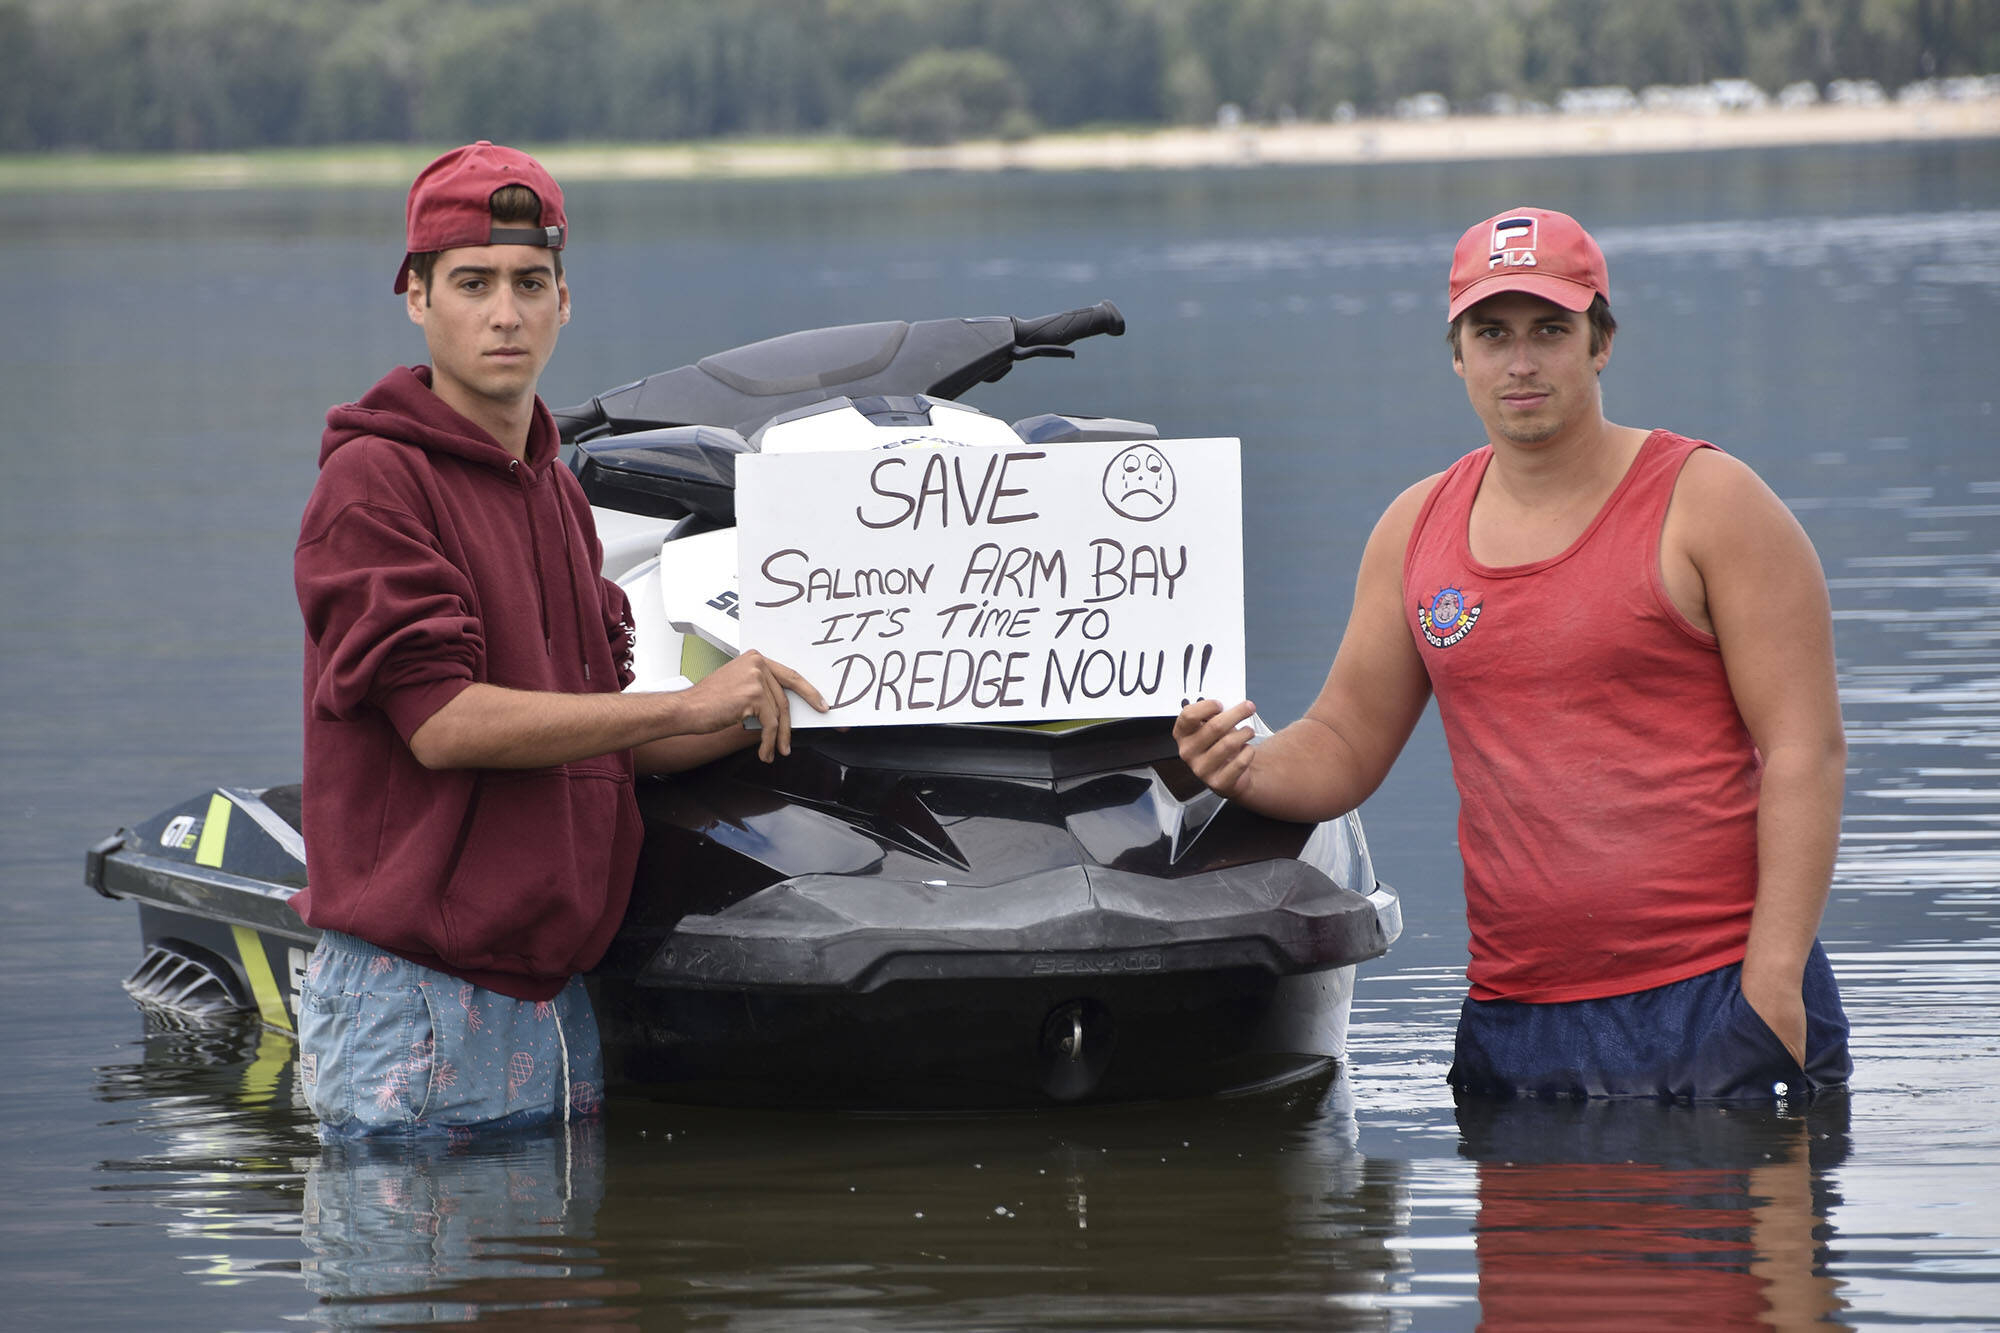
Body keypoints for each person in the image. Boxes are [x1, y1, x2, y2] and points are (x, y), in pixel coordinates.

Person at [1175, 206, 1851, 1100]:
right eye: (1492, 334)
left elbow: (1807, 751)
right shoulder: (1415, 531)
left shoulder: (1712, 503)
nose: (1521, 362)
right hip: (1517, 1016)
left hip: (1718, 993)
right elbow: (1342, 741)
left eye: (1550, 331)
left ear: (1600, 341)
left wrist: (1770, 983)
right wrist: (1243, 766)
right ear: (1458, 356)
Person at [291, 141, 826, 1135]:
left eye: (530, 282)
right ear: (415, 296)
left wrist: (772, 699)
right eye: (472, 282)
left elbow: (600, 731)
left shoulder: (559, 492)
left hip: (554, 1005)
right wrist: (686, 699)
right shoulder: (371, 482)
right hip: (413, 1004)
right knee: (415, 1298)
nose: (505, 312)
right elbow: (442, 723)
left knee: (570, 1289)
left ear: (564, 300)